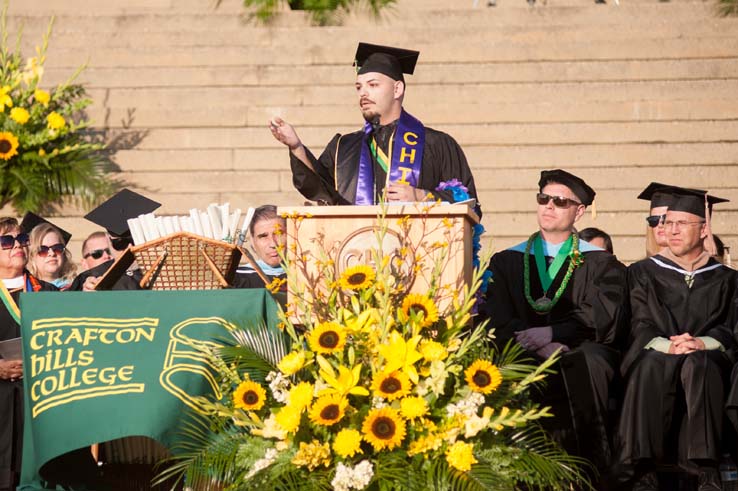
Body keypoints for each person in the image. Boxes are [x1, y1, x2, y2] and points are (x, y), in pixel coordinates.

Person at [482, 169, 628, 482]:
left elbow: (603, 315)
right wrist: (536, 340)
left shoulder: (600, 263)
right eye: (543, 198)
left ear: (579, 211)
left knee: (590, 360)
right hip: (521, 344)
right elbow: (496, 312)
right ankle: (514, 474)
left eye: (560, 201)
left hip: (576, 347)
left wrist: (553, 334)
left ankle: (589, 472)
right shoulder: (507, 260)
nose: (549, 206)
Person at [614, 190, 734, 491]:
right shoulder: (641, 273)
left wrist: (702, 343)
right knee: (650, 364)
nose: (672, 230)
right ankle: (643, 469)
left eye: (682, 222)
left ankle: (705, 468)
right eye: (668, 223)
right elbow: (639, 322)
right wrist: (669, 345)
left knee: (700, 364)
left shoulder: (727, 278)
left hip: (706, 353)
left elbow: (732, 327)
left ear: (704, 229)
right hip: (657, 349)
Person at [269, 42, 479, 211]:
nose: (363, 93)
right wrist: (296, 147)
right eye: (359, 87)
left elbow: (468, 201)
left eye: (373, 85)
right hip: (356, 257)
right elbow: (317, 188)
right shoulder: (343, 147)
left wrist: (421, 196)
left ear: (397, 89)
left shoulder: (437, 144)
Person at [0, 217, 57, 491]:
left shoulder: (47, 293)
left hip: (38, 403)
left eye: (21, 240)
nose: (16, 246)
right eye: (6, 241)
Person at [69, 189, 160, 291]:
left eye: (135, 241)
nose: (130, 248)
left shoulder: (164, 272)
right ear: (108, 240)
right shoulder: (92, 277)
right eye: (120, 243)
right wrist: (86, 293)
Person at [233, 205, 287, 289]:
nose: (273, 244)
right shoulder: (237, 278)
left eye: (278, 234)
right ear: (253, 241)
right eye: (263, 236)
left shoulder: (307, 274)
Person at [25, 217, 76, 291]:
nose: (52, 254)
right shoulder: (24, 289)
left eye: (57, 248)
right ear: (31, 256)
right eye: (43, 249)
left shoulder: (77, 289)